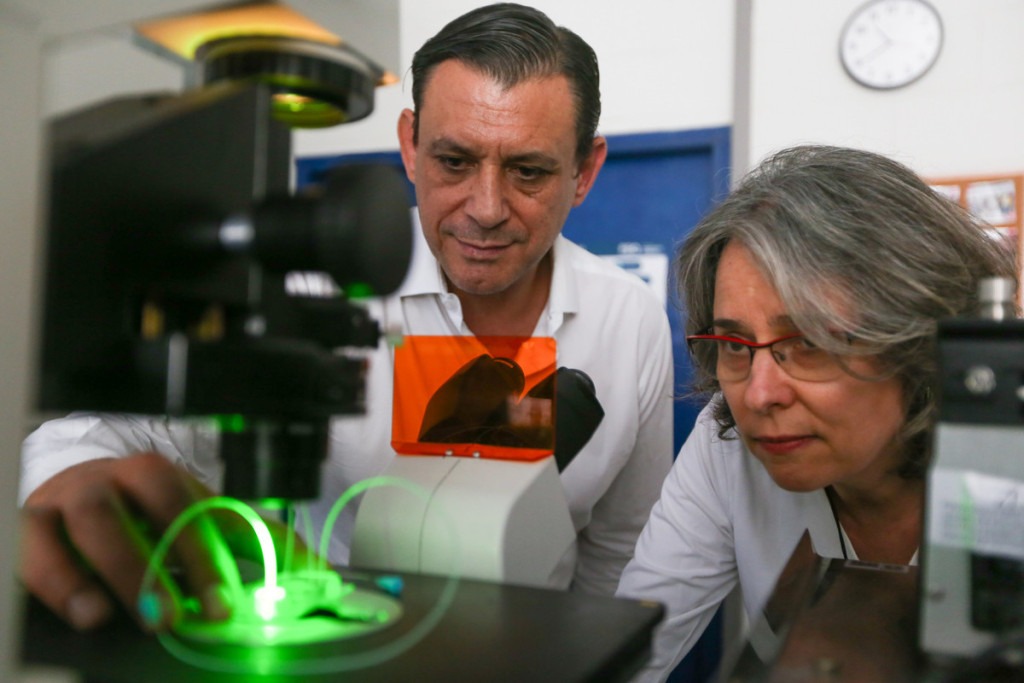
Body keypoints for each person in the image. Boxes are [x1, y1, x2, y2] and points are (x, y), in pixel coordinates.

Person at [19, 3, 674, 631]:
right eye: (454, 161)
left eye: (528, 171)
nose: (486, 207)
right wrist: (67, 479)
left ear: (585, 171)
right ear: (410, 143)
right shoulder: (306, 279)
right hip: (335, 640)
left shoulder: (629, 319)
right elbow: (100, 437)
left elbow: (618, 550)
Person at [615, 145, 1017, 681]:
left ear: (918, 340)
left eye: (808, 342)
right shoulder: (726, 439)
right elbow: (637, 641)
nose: (760, 395)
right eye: (735, 344)